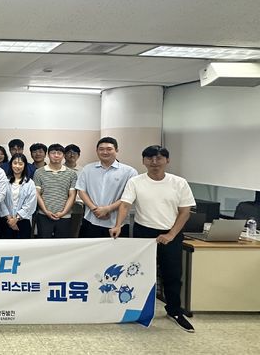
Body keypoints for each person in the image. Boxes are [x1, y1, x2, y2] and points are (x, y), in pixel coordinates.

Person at [111, 145, 196, 333]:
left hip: (170, 233)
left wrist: (171, 234)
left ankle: (174, 311)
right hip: (143, 233)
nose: (154, 162)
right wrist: (118, 225)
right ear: (144, 161)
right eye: (150, 158)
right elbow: (125, 205)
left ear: (167, 160)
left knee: (172, 275)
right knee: (140, 274)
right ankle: (137, 310)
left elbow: (185, 212)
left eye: (159, 158)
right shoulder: (136, 182)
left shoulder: (179, 182)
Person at [76, 137, 137, 238]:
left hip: (117, 224)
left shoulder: (129, 172)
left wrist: (107, 209)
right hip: (90, 220)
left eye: (109, 149)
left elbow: (128, 197)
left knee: (117, 249)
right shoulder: (88, 169)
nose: (105, 152)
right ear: (97, 151)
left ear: (116, 150)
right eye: (101, 149)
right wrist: (95, 209)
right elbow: (81, 190)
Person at [33, 144, 77, 238]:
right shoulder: (39, 172)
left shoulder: (72, 174)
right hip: (43, 215)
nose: (56, 155)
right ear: (48, 155)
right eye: (53, 153)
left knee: (62, 243)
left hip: (65, 216)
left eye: (59, 153)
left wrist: (63, 212)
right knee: (43, 242)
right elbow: (37, 193)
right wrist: (46, 211)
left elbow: (72, 195)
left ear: (63, 155)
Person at [0, 154, 37, 239]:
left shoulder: (30, 183)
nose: (17, 166)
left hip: (23, 220)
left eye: (20, 164)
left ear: (25, 165)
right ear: (11, 164)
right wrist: (9, 219)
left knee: (23, 246)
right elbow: (1, 201)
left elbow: (30, 204)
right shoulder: (4, 181)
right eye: (15, 163)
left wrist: (16, 219)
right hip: (6, 220)